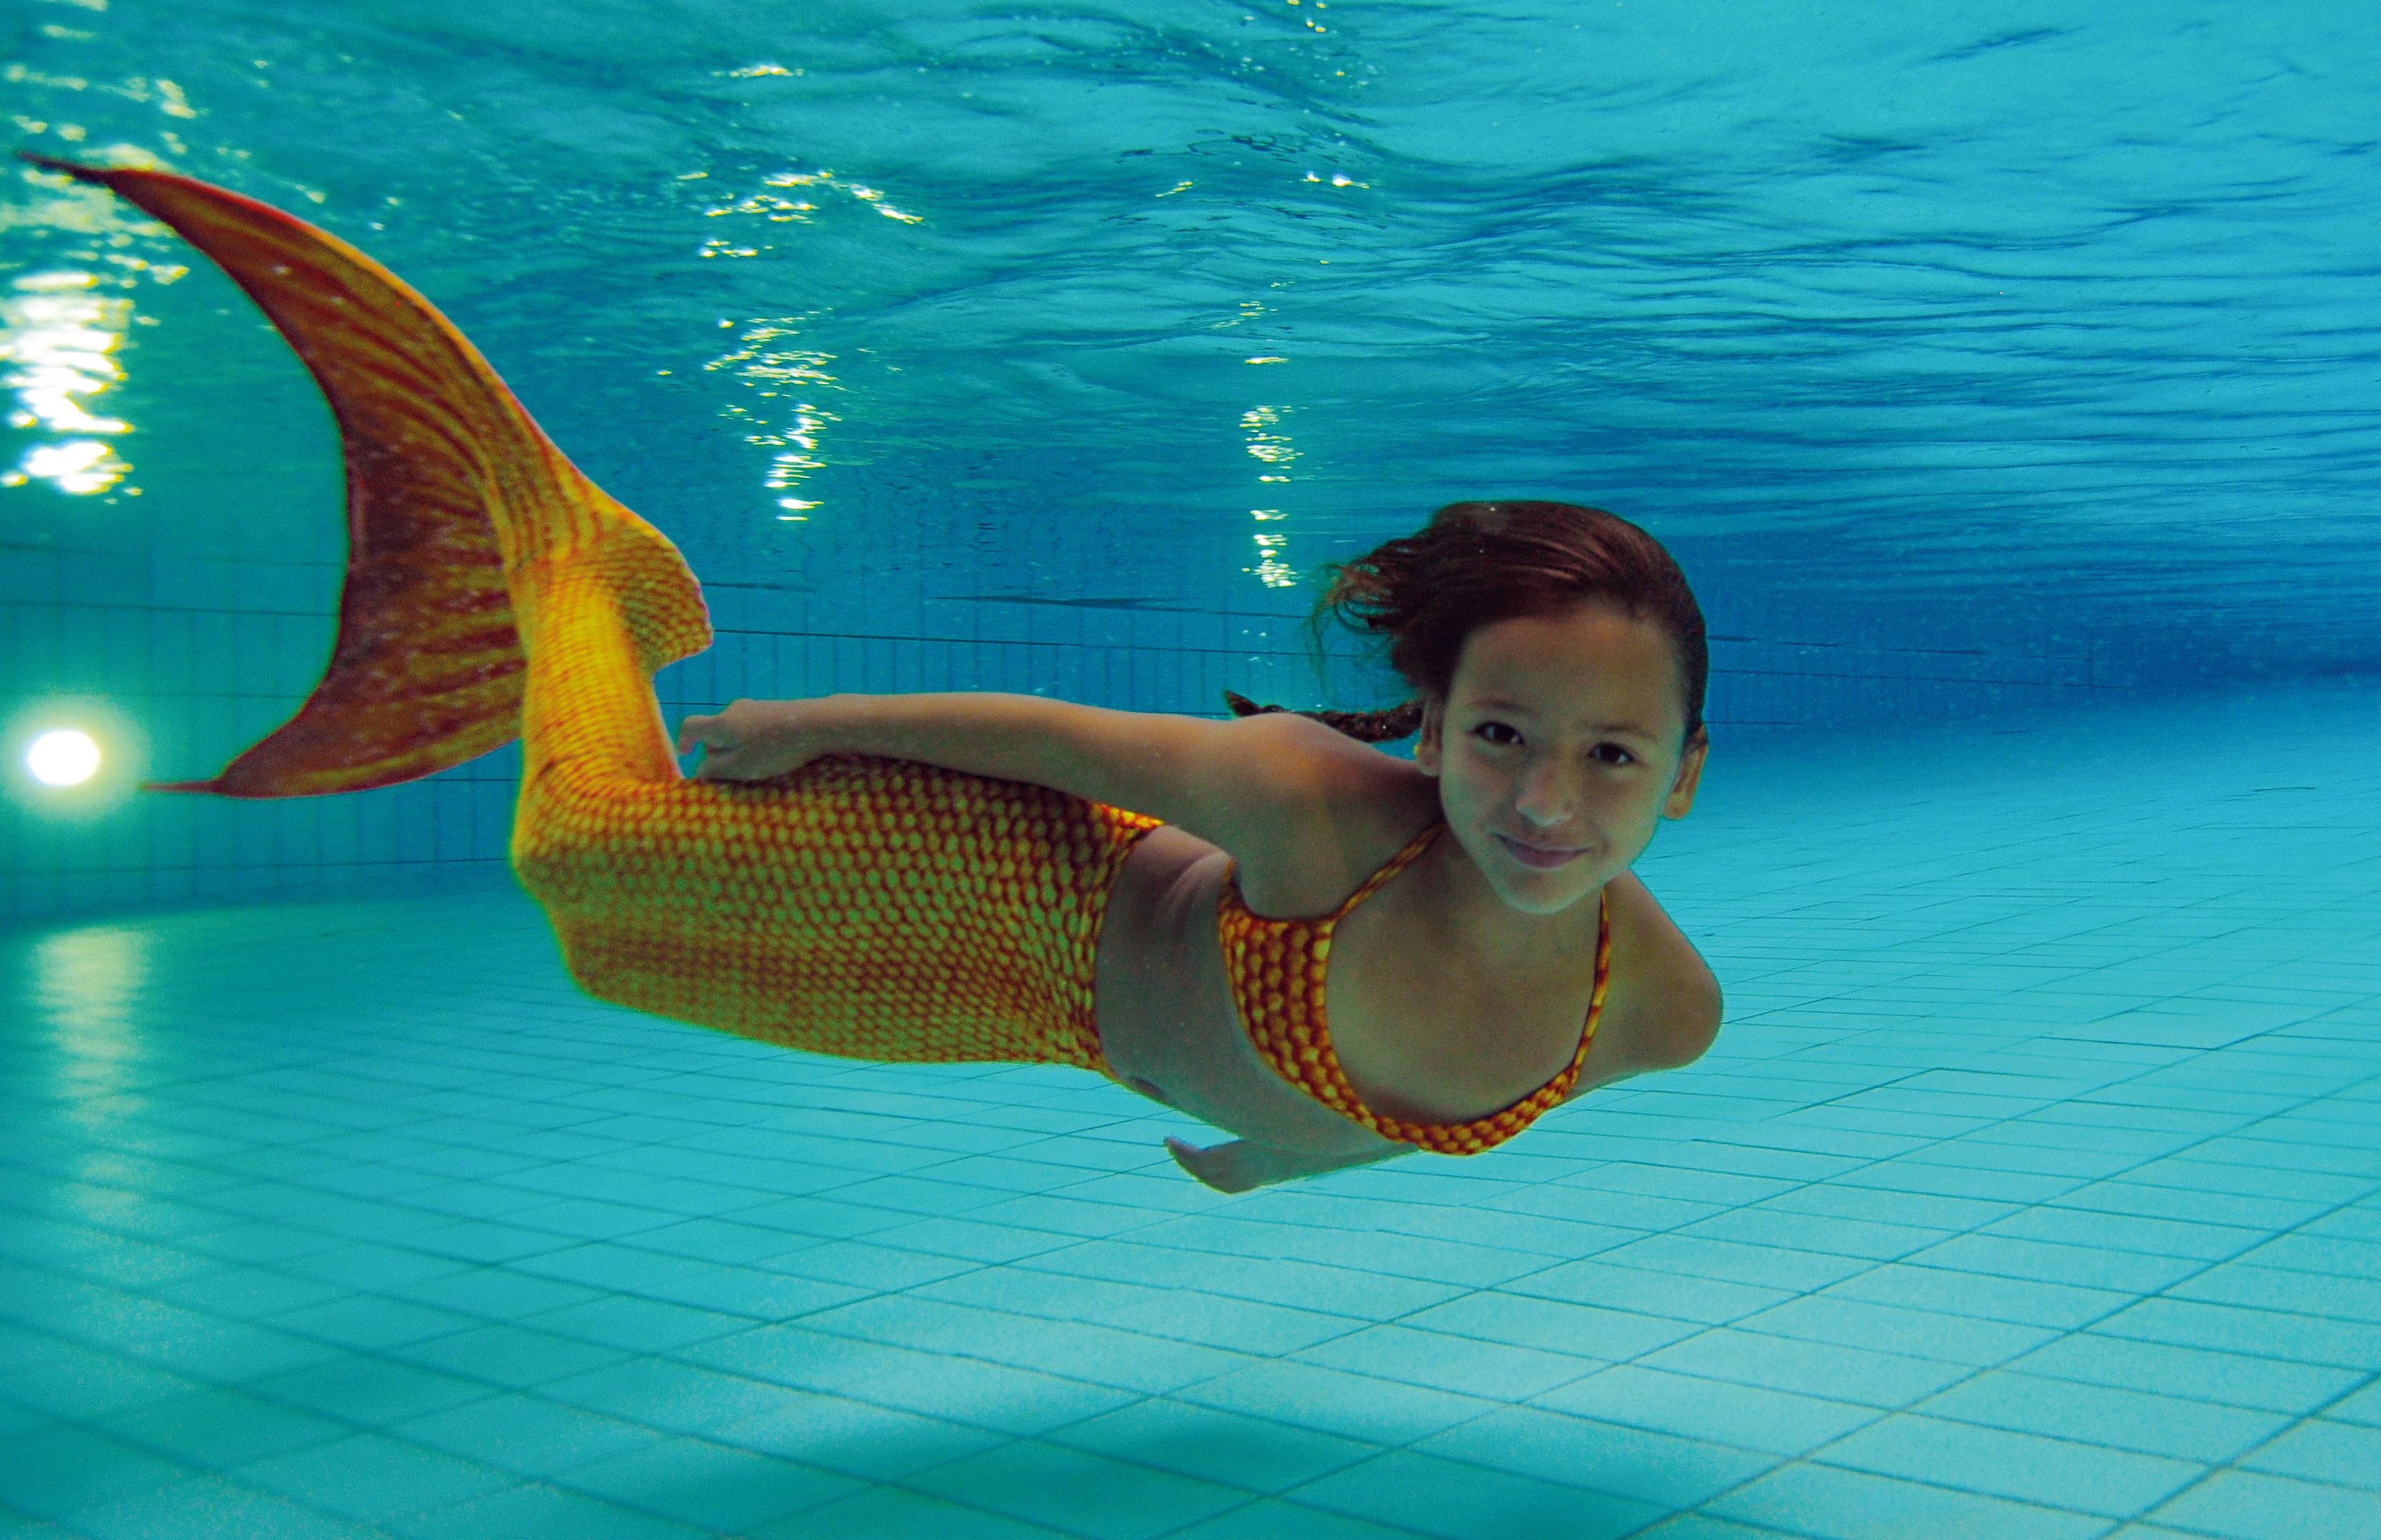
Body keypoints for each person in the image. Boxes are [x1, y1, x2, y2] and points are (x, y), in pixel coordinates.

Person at [46, 155, 1718, 1194]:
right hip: (1007, 899)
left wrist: (1284, 1152)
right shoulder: (1318, 812)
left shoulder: (1654, 1008)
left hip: (1041, 1028)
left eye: (1611, 758)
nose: (1547, 801)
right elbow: (1060, 739)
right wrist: (799, 725)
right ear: (1429, 727)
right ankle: (583, 565)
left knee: (617, 965)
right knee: (579, 853)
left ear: (1683, 771)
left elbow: (1433, 1085)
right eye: (1501, 733)